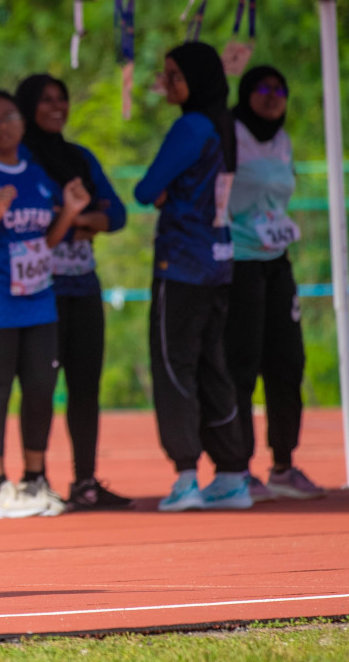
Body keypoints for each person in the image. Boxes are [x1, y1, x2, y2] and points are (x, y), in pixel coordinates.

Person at [0, 91, 90, 519]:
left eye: (10, 116)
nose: (3, 126)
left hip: (37, 299)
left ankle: (35, 479)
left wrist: (69, 213)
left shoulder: (36, 175)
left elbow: (46, 241)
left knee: (40, 389)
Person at [133, 41, 252, 512]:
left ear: (196, 79)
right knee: (212, 365)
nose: (166, 84)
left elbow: (146, 188)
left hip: (183, 264)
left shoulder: (191, 126)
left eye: (174, 75)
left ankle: (185, 474)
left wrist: (162, 194)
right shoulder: (226, 126)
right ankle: (231, 472)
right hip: (221, 261)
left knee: (173, 364)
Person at [14, 75, 132, 511]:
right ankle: (36, 479)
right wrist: (78, 217)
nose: (57, 106)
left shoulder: (79, 157)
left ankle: (85, 480)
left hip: (82, 285)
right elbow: (36, 219)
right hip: (39, 289)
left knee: (85, 385)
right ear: (28, 106)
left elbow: (116, 213)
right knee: (40, 386)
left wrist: (77, 221)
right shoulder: (22, 160)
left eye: (62, 99)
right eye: (46, 100)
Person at [224, 65, 325, 502]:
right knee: (241, 364)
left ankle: (284, 464)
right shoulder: (229, 134)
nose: (272, 96)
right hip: (237, 263)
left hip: (275, 261)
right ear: (246, 94)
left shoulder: (282, 140)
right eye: (262, 88)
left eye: (280, 89)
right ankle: (239, 468)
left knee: (287, 363)